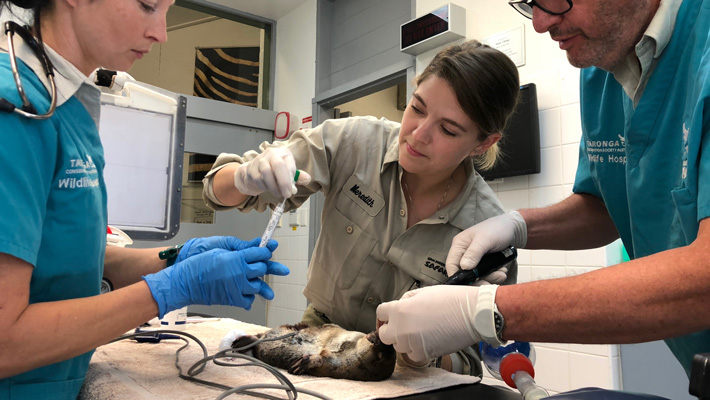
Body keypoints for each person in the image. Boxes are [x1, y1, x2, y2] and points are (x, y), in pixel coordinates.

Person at [376, 0, 710, 379]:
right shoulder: (602, 66)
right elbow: (608, 205)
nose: (539, 23)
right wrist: (519, 225)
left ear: (483, 142)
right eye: (528, 2)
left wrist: (489, 310)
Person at [0, 1, 289, 398]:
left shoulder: (68, 109)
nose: (162, 33)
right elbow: (4, 340)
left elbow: (66, 258)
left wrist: (176, 257)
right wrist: (169, 289)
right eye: (148, 5)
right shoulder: (15, 110)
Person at [202, 40, 521, 374]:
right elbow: (214, 189)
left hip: (409, 370)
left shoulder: (489, 229)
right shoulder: (355, 143)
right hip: (318, 338)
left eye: (447, 129)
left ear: (484, 143)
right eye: (417, 107)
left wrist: (424, 352)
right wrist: (243, 179)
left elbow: (470, 363)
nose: (418, 134)